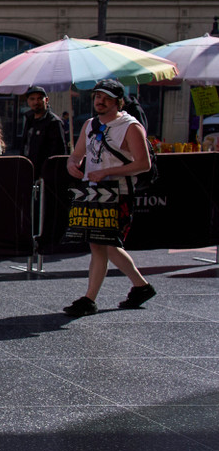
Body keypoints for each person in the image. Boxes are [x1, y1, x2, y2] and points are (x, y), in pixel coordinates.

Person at [62, 79, 156, 317]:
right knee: (99, 244)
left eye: (106, 98)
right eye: (97, 97)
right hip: (94, 193)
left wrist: (107, 171)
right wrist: (73, 164)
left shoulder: (130, 126)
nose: (100, 101)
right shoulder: (90, 125)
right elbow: (76, 155)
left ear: (118, 101)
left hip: (119, 193)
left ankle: (128, 289)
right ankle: (128, 289)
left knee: (107, 243)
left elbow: (143, 164)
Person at [18, 85, 68, 178]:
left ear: (46, 100)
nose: (36, 102)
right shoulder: (29, 120)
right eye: (32, 99)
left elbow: (59, 152)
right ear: (28, 101)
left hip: (46, 175)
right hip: (28, 171)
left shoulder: (54, 122)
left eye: (39, 98)